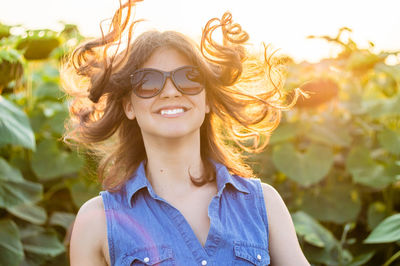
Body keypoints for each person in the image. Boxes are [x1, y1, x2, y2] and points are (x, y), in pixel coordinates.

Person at [64, 0, 310, 265]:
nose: (171, 91)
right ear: (129, 106)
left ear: (207, 101)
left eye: (188, 78)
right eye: (149, 82)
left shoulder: (263, 205)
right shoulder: (97, 221)